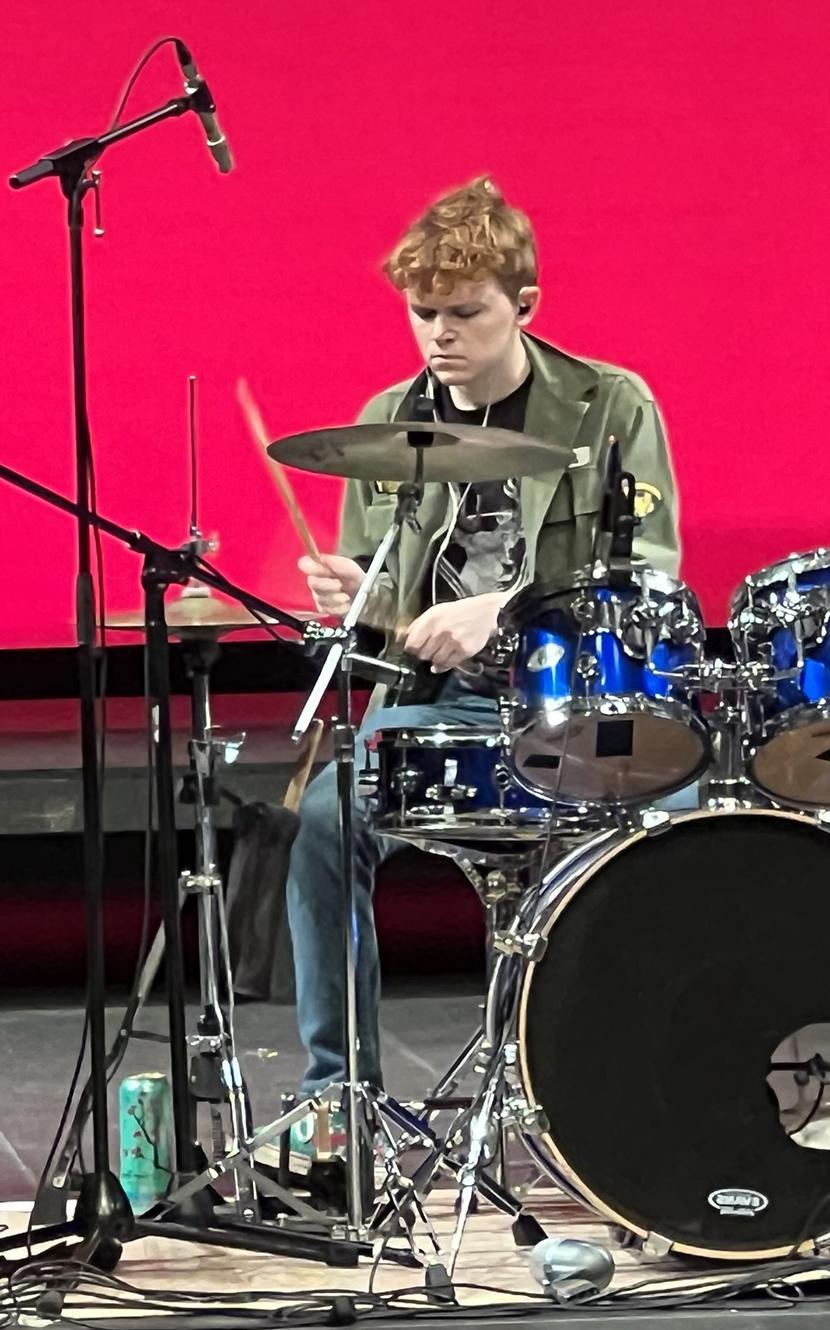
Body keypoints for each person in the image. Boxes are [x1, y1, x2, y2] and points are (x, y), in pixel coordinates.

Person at [286, 176, 680, 1116]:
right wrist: (357, 595)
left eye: (465, 312)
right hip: (438, 703)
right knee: (321, 822)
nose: (439, 335)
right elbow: (384, 596)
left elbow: (655, 575)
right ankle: (340, 1103)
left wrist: (506, 610)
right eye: (424, 314)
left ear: (525, 306)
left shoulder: (607, 405)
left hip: (579, 702)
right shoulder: (387, 420)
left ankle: (614, 1107)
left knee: (680, 833)